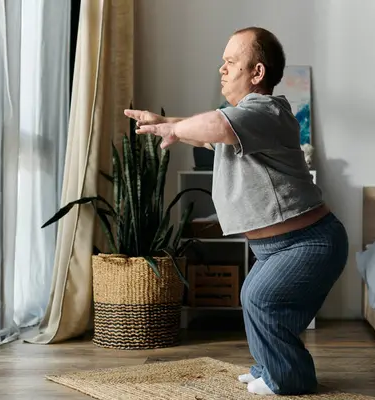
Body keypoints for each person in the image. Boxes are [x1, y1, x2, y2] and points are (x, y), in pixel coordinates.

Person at [125, 27, 348, 396]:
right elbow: (207, 133)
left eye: (231, 62)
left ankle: (289, 379)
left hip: (307, 242)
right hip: (282, 246)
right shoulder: (243, 121)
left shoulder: (265, 111)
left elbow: (213, 125)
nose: (222, 69)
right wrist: (165, 124)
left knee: (260, 298)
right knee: (263, 304)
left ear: (257, 73)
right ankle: (271, 367)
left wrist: (176, 127)